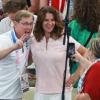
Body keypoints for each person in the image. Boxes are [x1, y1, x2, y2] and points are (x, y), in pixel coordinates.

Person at [30, 6, 86, 100]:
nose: (50, 23)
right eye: (46, 20)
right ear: (40, 22)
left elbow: (86, 53)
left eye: (52, 20)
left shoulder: (64, 39)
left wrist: (76, 75)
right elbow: (27, 60)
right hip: (40, 91)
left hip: (62, 92)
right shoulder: (33, 40)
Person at [0, 10, 33, 100]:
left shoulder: (28, 40)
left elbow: (27, 62)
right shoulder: (4, 39)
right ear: (15, 23)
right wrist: (13, 47)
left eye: (31, 23)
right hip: (3, 94)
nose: (29, 27)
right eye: (25, 23)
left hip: (17, 94)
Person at [68, 0, 100, 87]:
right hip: (95, 74)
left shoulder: (73, 25)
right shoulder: (98, 27)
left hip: (75, 75)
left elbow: (70, 53)